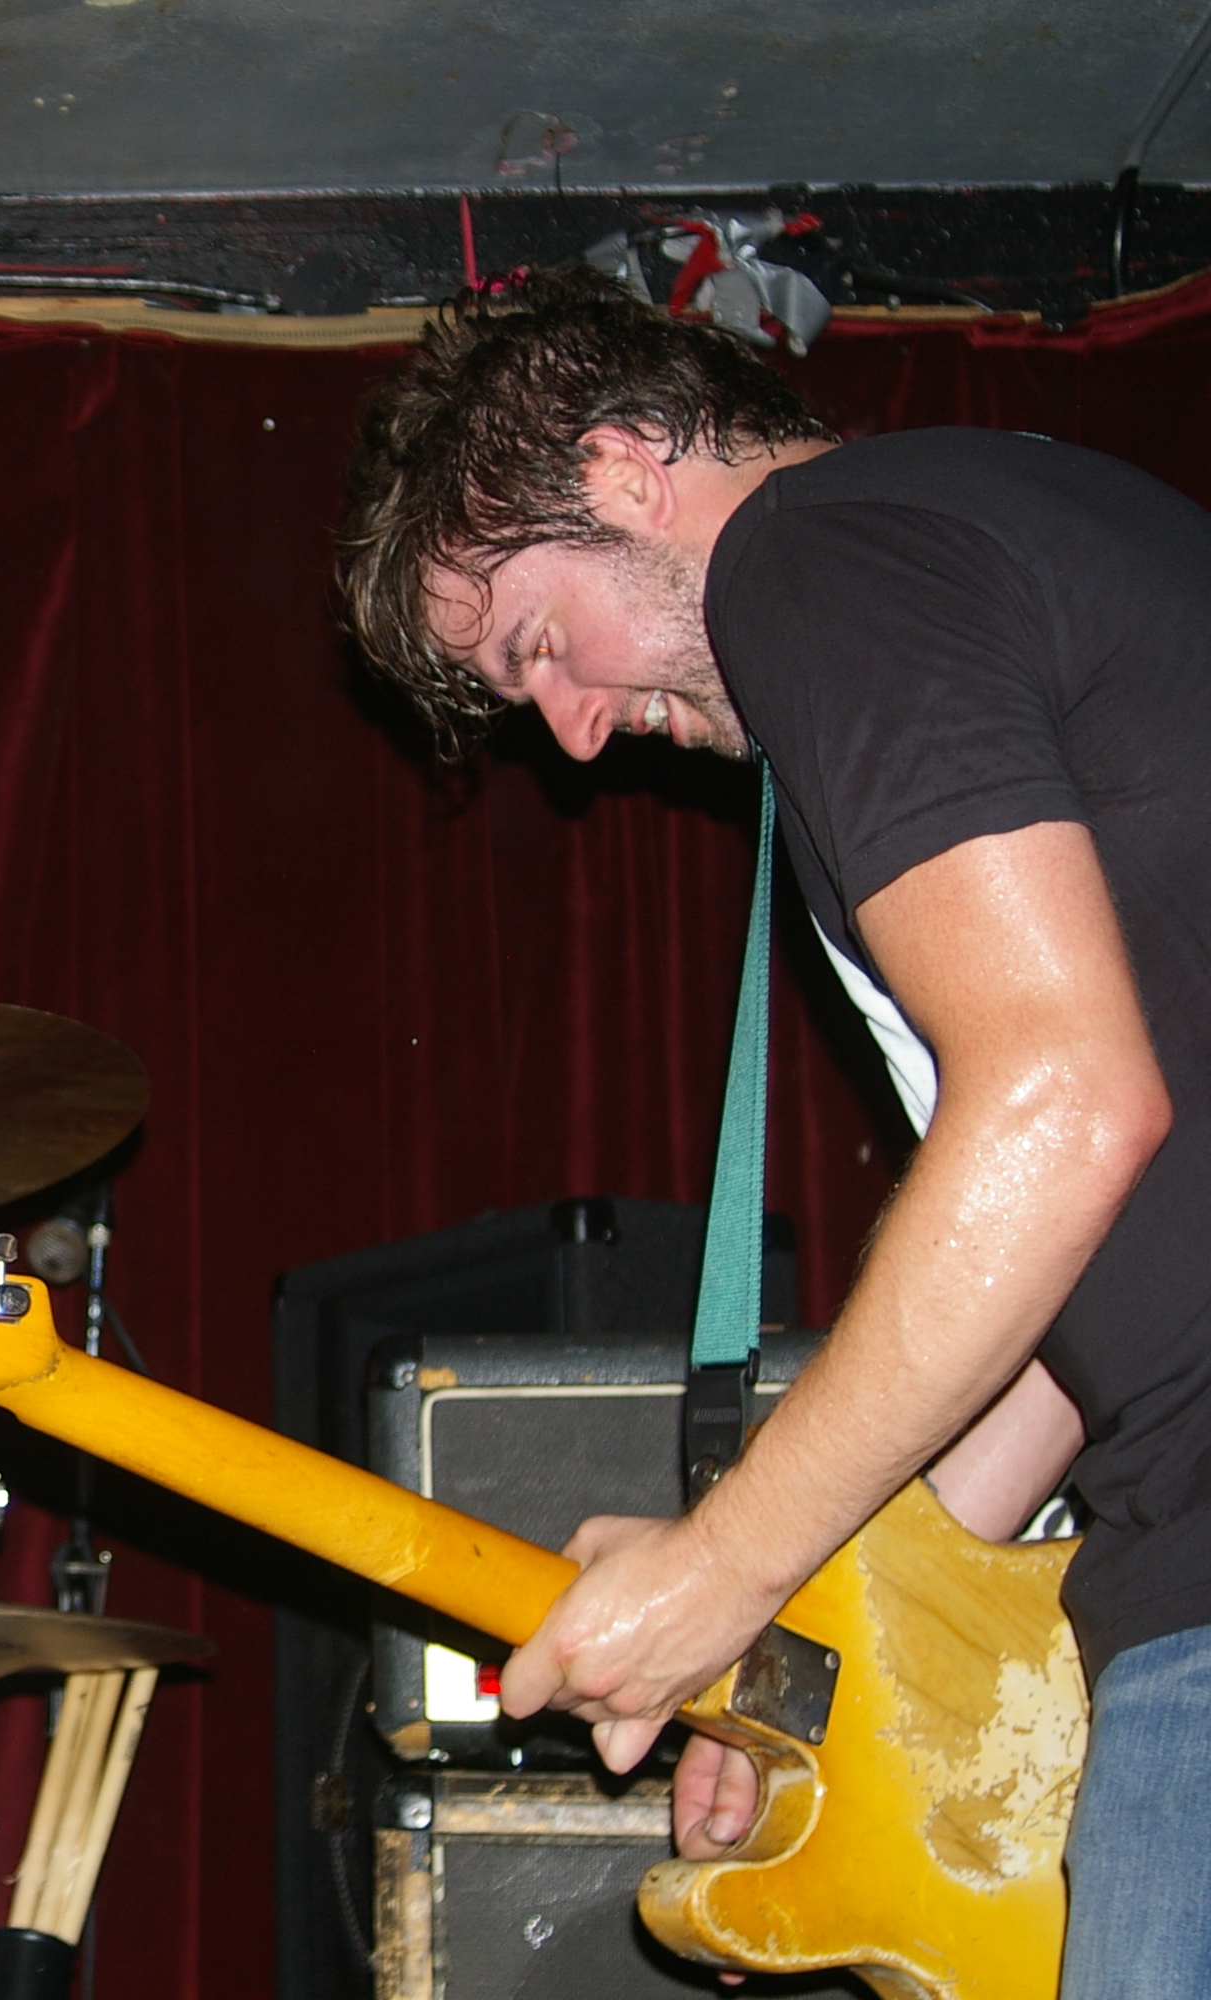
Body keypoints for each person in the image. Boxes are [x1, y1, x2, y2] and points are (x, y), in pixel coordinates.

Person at [337, 272, 1209, 1994]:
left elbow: (1063, 1103)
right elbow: (1078, 1283)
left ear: (626, 470)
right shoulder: (986, 532)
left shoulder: (820, 556)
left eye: (538, 646)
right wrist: (823, 1664)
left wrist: (722, 1572)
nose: (574, 735)